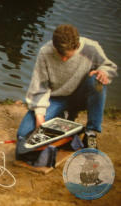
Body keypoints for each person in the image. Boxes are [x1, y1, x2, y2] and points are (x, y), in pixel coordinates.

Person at [16, 24, 118, 154]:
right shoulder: (45, 52)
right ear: (54, 46)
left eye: (68, 56)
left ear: (77, 46)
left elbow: (110, 67)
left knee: (96, 81)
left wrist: (104, 71)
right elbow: (39, 86)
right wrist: (40, 116)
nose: (63, 59)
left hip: (79, 95)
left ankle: (91, 132)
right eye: (60, 54)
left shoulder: (91, 48)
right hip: (55, 98)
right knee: (23, 135)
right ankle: (65, 116)